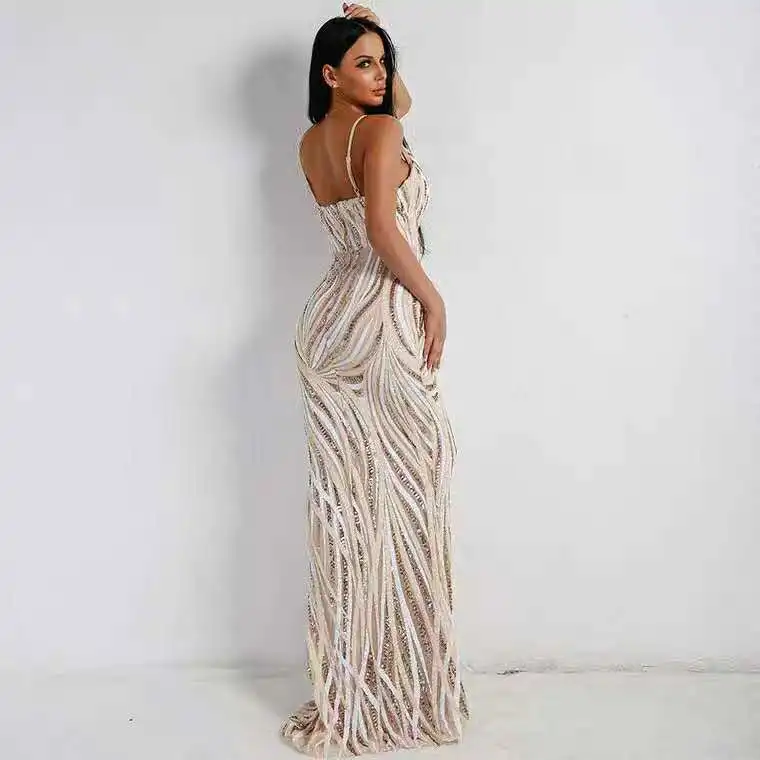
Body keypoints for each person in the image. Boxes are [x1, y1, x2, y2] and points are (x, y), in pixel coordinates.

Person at [280, 5, 470, 757]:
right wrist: (432, 298)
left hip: (326, 322)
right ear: (329, 74)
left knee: (352, 516)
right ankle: (401, 693)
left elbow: (395, 106)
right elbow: (383, 230)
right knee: (412, 498)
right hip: (379, 317)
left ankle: (357, 685)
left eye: (384, 61)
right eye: (365, 63)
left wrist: (373, 30)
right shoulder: (380, 131)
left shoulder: (312, 142)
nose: (383, 75)